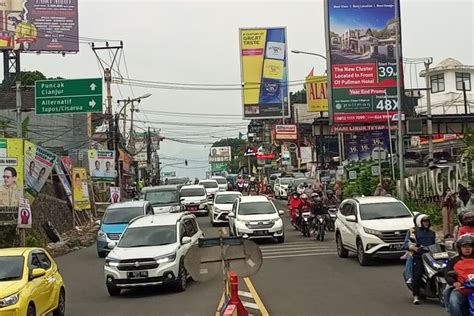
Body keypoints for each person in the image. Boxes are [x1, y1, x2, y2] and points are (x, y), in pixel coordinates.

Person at [407, 213, 436, 305]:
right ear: (420, 222)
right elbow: (410, 243)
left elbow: (438, 242)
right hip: (419, 257)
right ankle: (415, 295)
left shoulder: (432, 233)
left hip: (431, 256)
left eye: (427, 221)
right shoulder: (415, 232)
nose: (426, 223)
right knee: (417, 274)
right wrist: (414, 248)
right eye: (424, 221)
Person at [444, 234, 474, 316]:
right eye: (464, 246)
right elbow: (447, 273)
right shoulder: (454, 260)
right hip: (462, 289)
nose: (467, 249)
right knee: (454, 302)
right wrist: (454, 282)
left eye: (470, 246)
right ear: (459, 248)